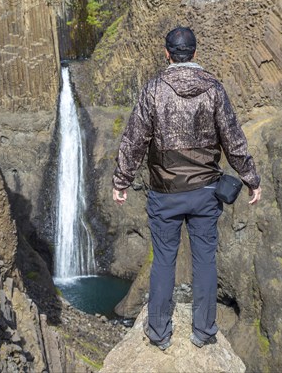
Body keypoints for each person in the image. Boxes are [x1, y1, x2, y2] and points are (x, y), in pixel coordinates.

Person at [112, 26, 262, 350]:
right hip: (206, 192)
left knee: (164, 261)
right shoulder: (214, 90)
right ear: (195, 53)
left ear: (167, 53)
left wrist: (121, 181)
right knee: (205, 260)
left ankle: (159, 334)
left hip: (164, 194)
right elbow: (234, 141)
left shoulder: (153, 90)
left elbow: (134, 140)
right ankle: (204, 331)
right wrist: (251, 178)